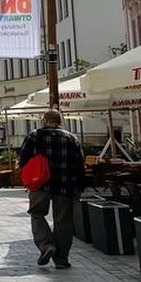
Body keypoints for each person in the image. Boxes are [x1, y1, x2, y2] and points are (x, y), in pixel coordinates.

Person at [19, 110, 85, 269]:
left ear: (44, 120)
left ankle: (46, 245)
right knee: (63, 221)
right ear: (60, 121)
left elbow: (23, 160)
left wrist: (29, 179)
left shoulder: (34, 136)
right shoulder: (71, 138)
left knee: (37, 215)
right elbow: (79, 164)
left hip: (40, 184)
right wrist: (79, 186)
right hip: (65, 185)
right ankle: (61, 259)